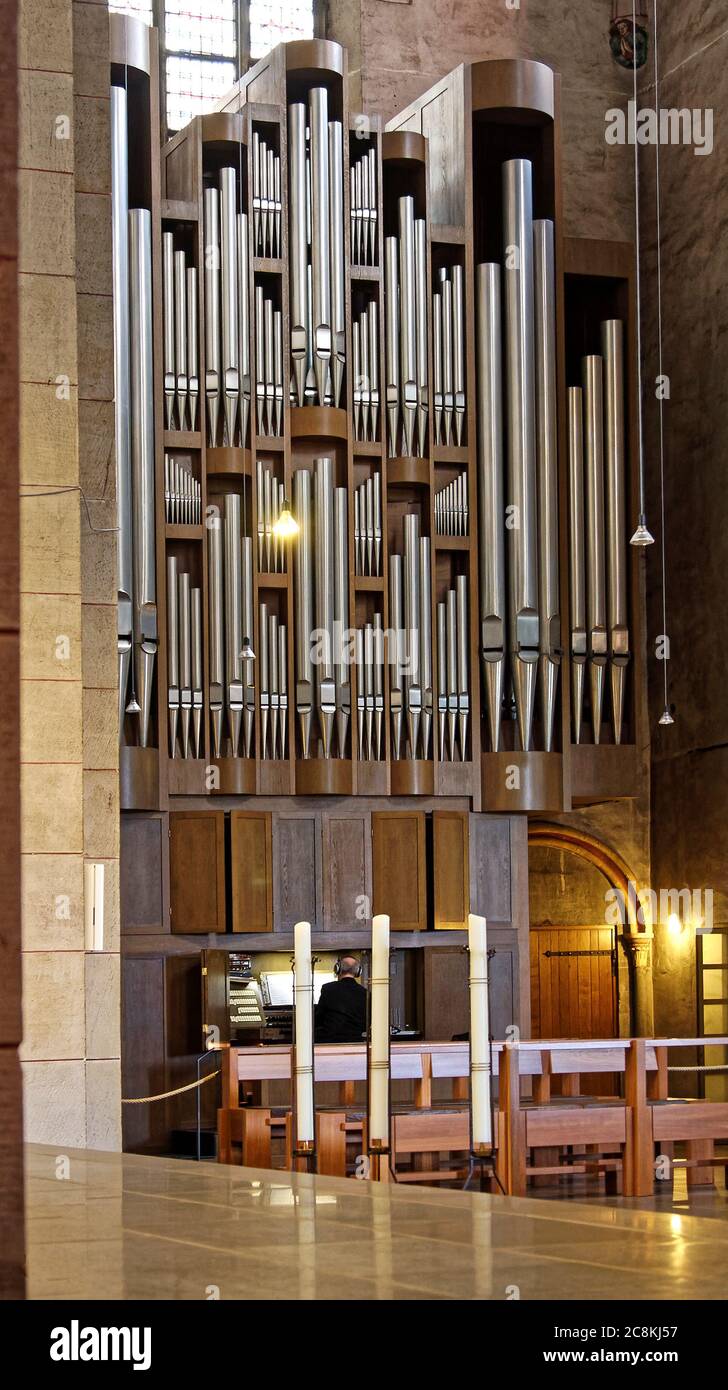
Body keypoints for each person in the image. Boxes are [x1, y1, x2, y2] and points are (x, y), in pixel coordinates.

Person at [315, 956, 367, 1043]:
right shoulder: (365, 992)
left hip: (329, 1040)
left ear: (337, 969)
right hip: (355, 1040)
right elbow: (367, 1022)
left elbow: (319, 1016)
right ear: (358, 971)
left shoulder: (328, 988)